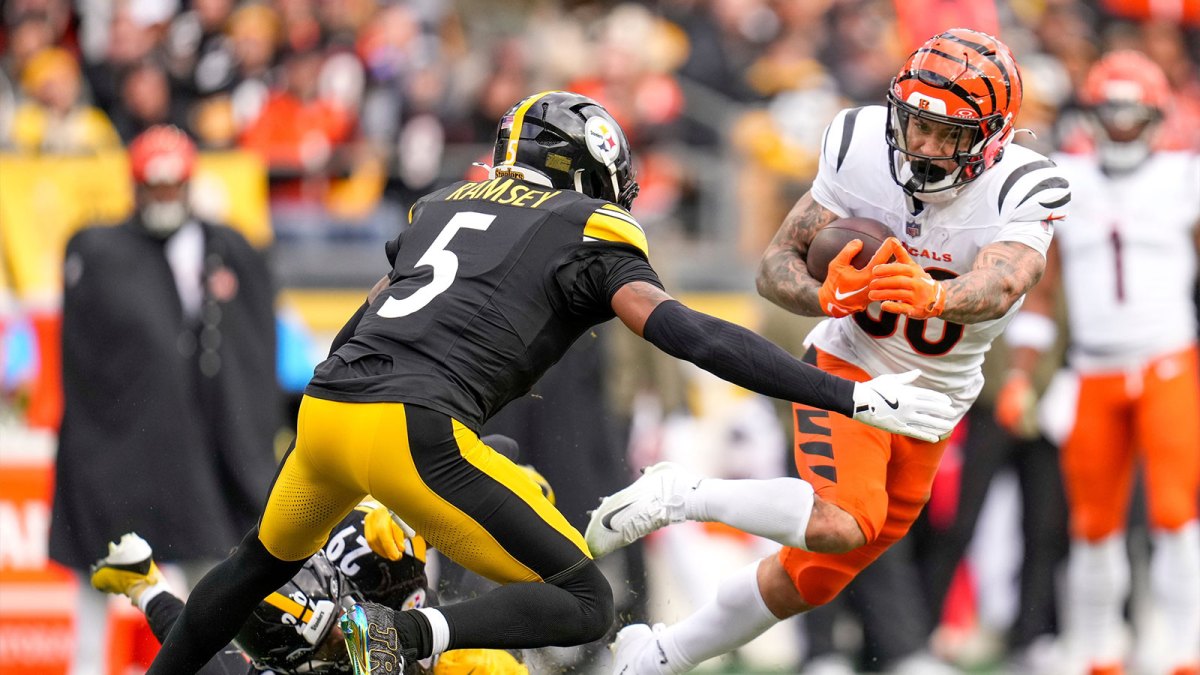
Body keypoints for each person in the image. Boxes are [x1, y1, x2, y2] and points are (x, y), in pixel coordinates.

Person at [144, 90, 955, 675]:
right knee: (585, 600)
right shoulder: (587, 225)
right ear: (586, 167)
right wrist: (848, 395)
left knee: (252, 566)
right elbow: (689, 333)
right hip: (412, 427)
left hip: (330, 410)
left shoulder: (440, 203)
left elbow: (369, 319)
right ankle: (398, 636)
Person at [584, 28, 1070, 674]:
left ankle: (657, 653)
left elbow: (1005, 279)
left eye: (945, 133)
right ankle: (684, 493)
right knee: (841, 522)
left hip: (935, 396)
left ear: (992, 135)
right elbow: (774, 268)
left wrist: (934, 297)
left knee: (814, 575)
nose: (921, 144)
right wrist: (826, 294)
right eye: (915, 122)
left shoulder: (1024, 185)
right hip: (850, 365)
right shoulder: (861, 145)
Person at [998, 50, 1200, 675]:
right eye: (1108, 110)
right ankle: (1097, 651)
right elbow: (1045, 290)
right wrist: (1022, 374)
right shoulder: (1066, 182)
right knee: (1092, 522)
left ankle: (1185, 649)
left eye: (1130, 112)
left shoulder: (1185, 176)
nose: (1118, 125)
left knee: (1174, 514)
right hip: (1093, 370)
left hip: (1168, 360)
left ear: (1156, 115)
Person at [49, 124, 279, 671]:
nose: (164, 198)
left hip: (198, 449)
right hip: (118, 449)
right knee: (100, 577)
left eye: (173, 187)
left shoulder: (224, 246)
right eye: (154, 187)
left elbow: (250, 351)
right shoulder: (101, 251)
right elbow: (85, 363)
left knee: (214, 581)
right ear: (134, 187)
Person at [91, 497, 525, 674]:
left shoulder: (374, 568)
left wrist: (407, 508)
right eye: (331, 645)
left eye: (341, 613)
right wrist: (145, 587)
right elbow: (194, 645)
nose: (347, 634)